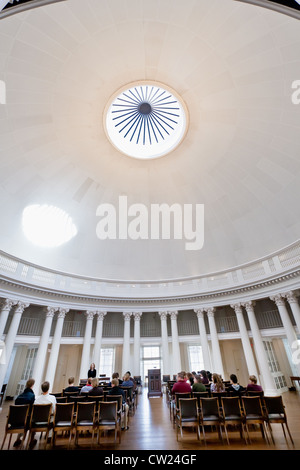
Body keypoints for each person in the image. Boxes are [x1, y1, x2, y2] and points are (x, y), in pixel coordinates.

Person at [33, 381, 56, 447]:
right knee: (52, 416)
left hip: (37, 422)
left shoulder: (36, 399)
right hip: (48, 422)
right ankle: (49, 436)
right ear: (48, 388)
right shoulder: (52, 398)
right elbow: (54, 411)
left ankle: (32, 438)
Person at [13, 378, 35, 447]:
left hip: (16, 421)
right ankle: (31, 440)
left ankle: (18, 439)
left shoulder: (19, 397)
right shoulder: (31, 396)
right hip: (27, 421)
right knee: (33, 419)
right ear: (32, 385)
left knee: (23, 418)